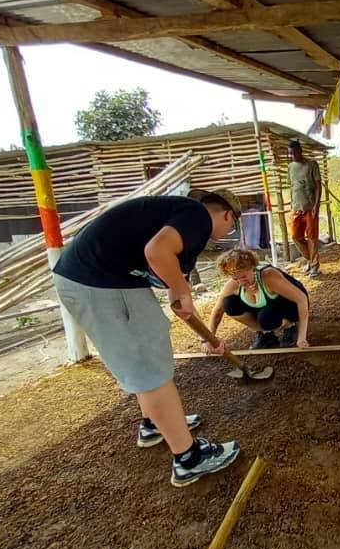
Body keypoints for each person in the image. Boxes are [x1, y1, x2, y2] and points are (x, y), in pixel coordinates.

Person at [52, 190, 243, 488]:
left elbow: (176, 294)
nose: (226, 232)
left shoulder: (178, 221)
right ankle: (189, 458)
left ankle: (154, 423)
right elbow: (157, 253)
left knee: (147, 354)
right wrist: (183, 292)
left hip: (98, 279)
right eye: (231, 225)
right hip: (101, 283)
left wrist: (206, 336)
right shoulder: (197, 217)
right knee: (150, 368)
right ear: (228, 215)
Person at [204, 247, 311, 351]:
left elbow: (301, 299)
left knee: (266, 318)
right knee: (228, 304)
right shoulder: (233, 284)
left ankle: (290, 326)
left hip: (290, 304)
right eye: (235, 278)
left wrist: (302, 338)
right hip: (267, 308)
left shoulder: (268, 275)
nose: (241, 282)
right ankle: (266, 334)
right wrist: (208, 340)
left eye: (243, 276)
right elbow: (217, 311)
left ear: (251, 268)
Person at [287, 140, 323, 276]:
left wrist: (316, 205)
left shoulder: (311, 164)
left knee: (312, 237)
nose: (292, 155)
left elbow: (318, 186)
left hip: (310, 207)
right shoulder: (290, 167)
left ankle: (314, 266)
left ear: (300, 151)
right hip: (296, 208)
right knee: (296, 237)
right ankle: (309, 259)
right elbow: (292, 187)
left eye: (294, 152)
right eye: (290, 153)